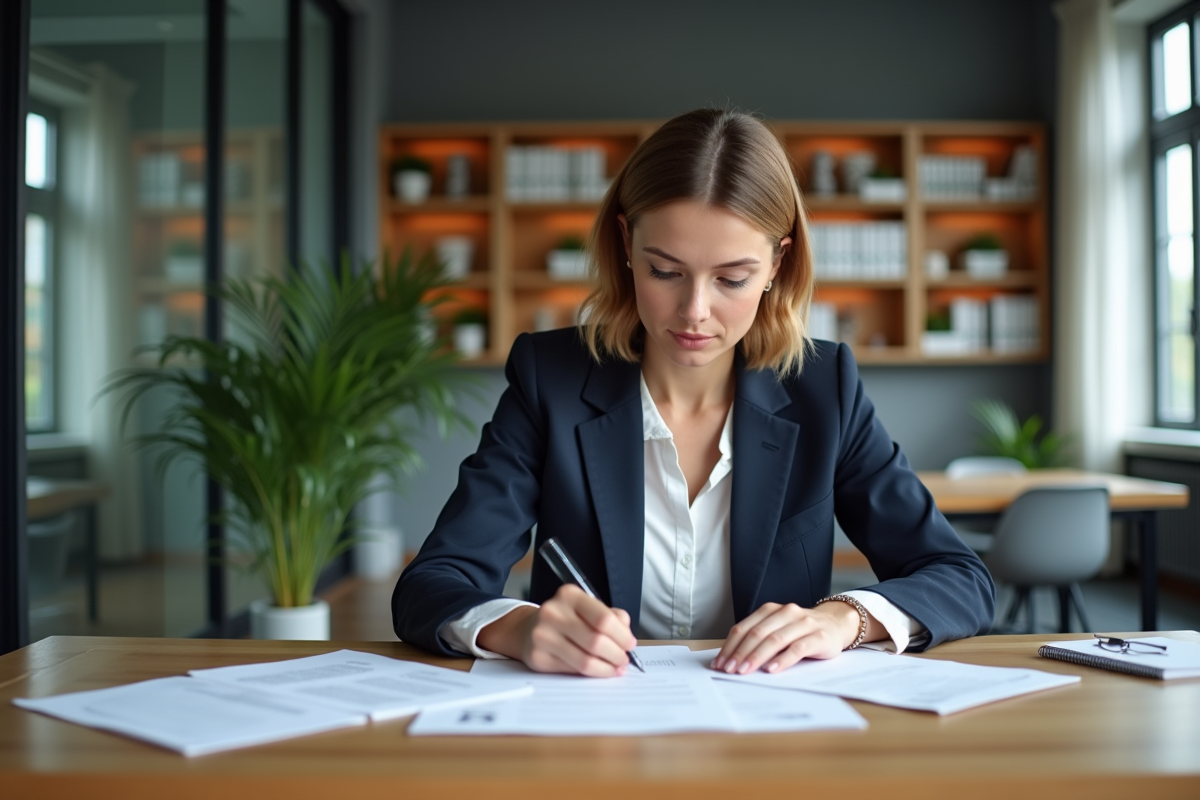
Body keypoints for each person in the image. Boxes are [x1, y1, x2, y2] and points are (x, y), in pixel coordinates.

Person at [392, 108, 994, 677]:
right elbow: (434, 582)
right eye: (665, 271)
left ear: (777, 265)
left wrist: (844, 619)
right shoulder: (550, 379)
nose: (695, 312)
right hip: (591, 733)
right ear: (626, 244)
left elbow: (959, 577)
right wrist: (518, 628)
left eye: (732, 278)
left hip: (775, 735)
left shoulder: (822, 388)